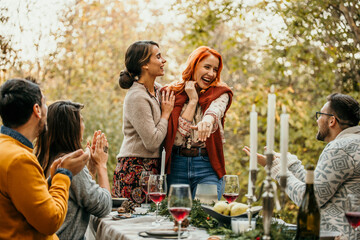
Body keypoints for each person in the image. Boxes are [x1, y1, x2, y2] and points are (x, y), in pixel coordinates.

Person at [243, 93, 360, 238]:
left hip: (338, 236)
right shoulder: (353, 143)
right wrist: (290, 163)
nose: (317, 120)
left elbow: (310, 200)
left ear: (331, 121)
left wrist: (277, 169)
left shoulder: (340, 148)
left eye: (320, 115)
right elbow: (318, 187)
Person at [0, 78, 89, 239]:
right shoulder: (19, 160)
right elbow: (51, 221)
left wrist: (51, 180)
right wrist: (64, 175)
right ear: (37, 110)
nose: (46, 108)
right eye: (44, 103)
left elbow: (26, 202)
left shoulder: (7, 149)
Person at [35, 100, 112, 240]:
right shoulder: (67, 165)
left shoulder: (41, 159)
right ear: (71, 128)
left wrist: (91, 169)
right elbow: (104, 206)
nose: (83, 126)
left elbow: (82, 196)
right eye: (81, 121)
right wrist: (102, 165)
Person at [164, 46, 233, 199]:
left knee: (205, 217)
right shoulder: (171, 93)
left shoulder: (220, 92)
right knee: (177, 217)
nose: (211, 73)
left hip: (207, 165)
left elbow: (215, 111)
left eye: (215, 69)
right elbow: (177, 139)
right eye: (207, 67)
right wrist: (193, 100)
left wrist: (207, 121)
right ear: (194, 65)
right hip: (176, 165)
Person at [112, 40, 175, 203]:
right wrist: (165, 115)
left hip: (154, 168)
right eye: (158, 57)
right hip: (135, 168)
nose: (164, 61)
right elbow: (152, 142)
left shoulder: (159, 91)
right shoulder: (136, 97)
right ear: (144, 64)